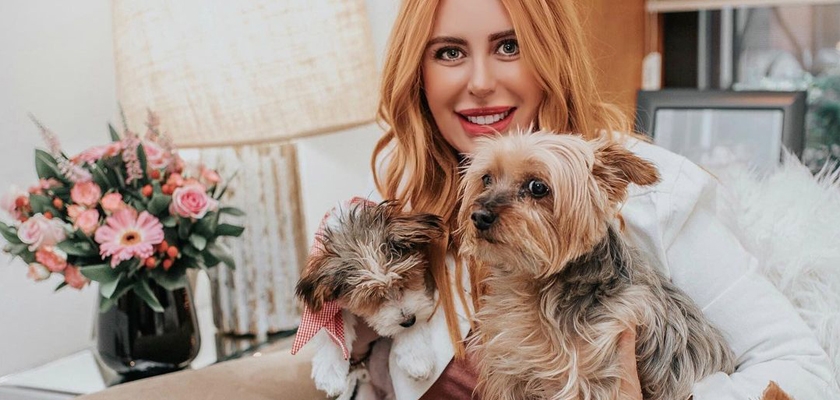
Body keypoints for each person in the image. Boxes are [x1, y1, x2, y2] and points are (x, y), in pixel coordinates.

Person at [80, 1, 838, 399]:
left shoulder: (644, 182)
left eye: (509, 45)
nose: (480, 81)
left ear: (549, 57)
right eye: (450, 52)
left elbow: (804, 369)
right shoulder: (393, 222)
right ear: (419, 74)